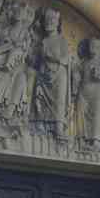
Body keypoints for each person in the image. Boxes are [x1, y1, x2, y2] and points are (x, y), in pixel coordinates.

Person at [32, 8, 70, 137]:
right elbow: (36, 61)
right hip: (44, 74)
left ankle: (58, 127)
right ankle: (41, 124)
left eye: (53, 19)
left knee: (59, 100)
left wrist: (53, 58)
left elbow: (66, 59)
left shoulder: (62, 40)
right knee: (40, 98)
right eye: (47, 19)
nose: (49, 22)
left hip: (58, 75)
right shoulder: (42, 42)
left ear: (58, 22)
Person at [75, 37, 100, 148]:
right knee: (80, 112)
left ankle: (96, 140)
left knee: (97, 114)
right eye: (91, 45)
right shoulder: (84, 61)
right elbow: (78, 73)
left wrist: (99, 77)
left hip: (97, 91)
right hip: (83, 91)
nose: (92, 48)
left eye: (96, 46)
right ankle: (81, 138)